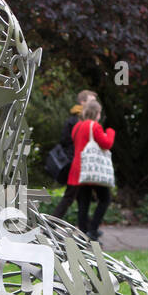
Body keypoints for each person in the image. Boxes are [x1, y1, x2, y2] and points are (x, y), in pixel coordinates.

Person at [68, 97, 115, 241]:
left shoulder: (77, 126)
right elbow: (106, 144)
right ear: (96, 113)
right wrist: (110, 131)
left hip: (78, 169)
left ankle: (83, 233)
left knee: (84, 202)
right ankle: (93, 230)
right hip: (91, 169)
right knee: (105, 199)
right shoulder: (94, 126)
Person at [50, 89, 97, 221]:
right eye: (92, 101)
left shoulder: (77, 119)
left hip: (77, 162)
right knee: (70, 197)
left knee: (81, 197)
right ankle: (51, 223)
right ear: (83, 102)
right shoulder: (78, 120)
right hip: (76, 163)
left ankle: (87, 227)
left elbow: (64, 140)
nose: (95, 104)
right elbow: (67, 141)